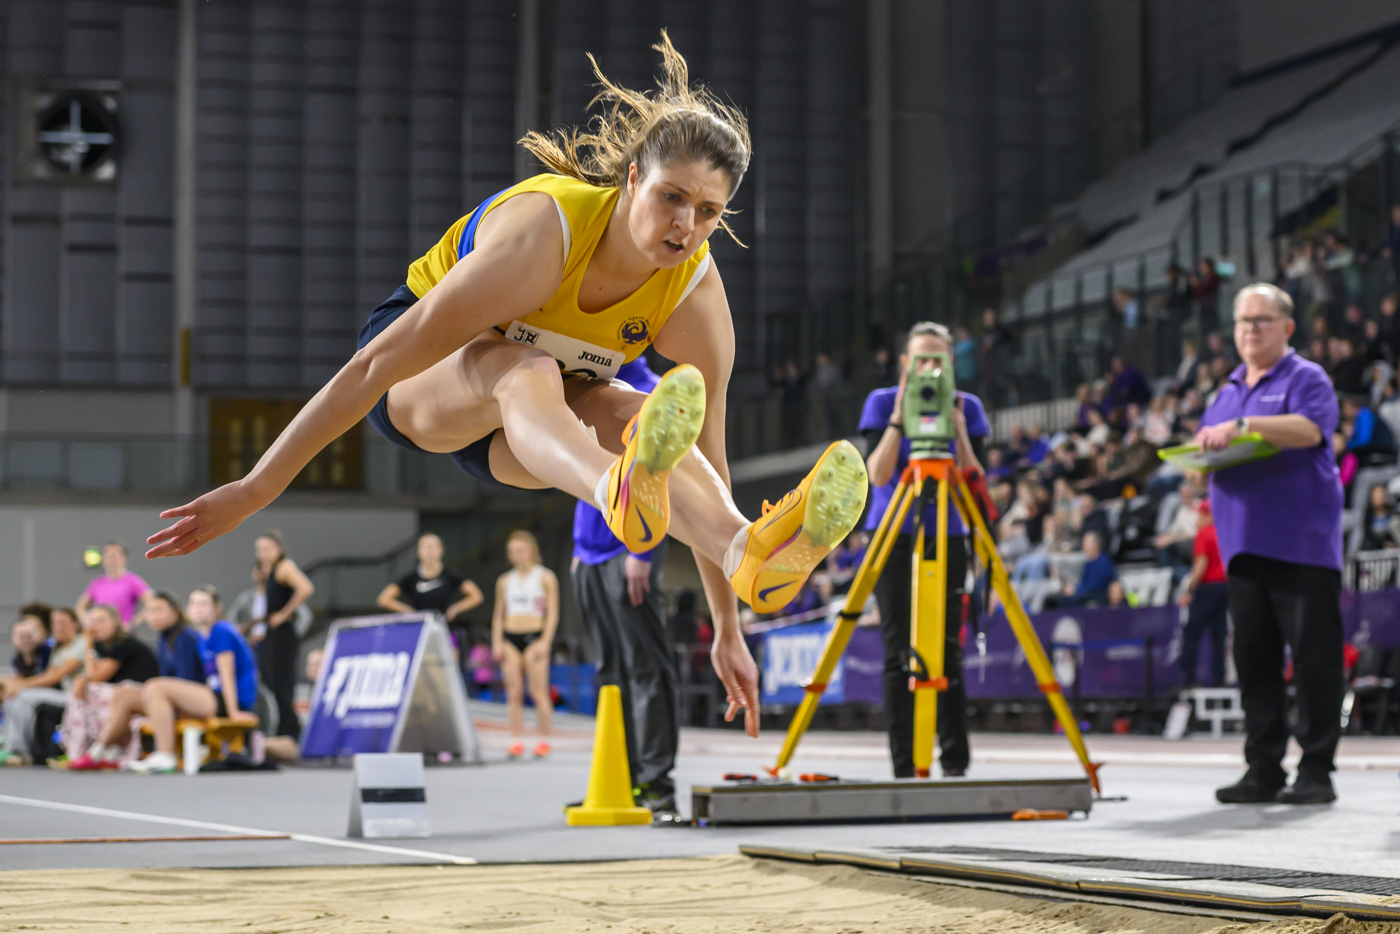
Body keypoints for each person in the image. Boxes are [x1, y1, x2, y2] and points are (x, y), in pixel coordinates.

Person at [145, 32, 876, 737]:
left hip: (541, 428)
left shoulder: (693, 291)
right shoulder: (544, 235)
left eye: (709, 212)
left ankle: (749, 549)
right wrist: (255, 489)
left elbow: (707, 458)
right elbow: (372, 368)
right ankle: (613, 489)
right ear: (631, 181)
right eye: (672, 198)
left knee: (639, 409)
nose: (686, 226)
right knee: (522, 370)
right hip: (429, 386)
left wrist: (727, 627)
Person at [1197, 283, 1344, 806]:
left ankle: (1317, 770)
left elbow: (1309, 431)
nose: (1250, 329)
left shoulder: (1306, 377)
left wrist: (1244, 425)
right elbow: (1206, 445)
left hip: (1301, 544)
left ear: (1288, 327)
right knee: (1254, 662)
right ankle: (1262, 768)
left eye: (1261, 319)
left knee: (1313, 660)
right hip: (1241, 548)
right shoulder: (1227, 389)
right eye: (1242, 321)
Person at [860, 321, 988, 779]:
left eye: (938, 359)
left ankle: (954, 762)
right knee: (898, 651)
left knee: (947, 649)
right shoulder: (881, 402)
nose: (930, 368)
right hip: (892, 529)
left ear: (951, 362)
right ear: (904, 365)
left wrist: (961, 434)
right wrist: (899, 416)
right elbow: (875, 475)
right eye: (921, 359)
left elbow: (977, 484)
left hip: (947, 528)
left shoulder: (966, 406)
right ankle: (904, 766)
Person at [571, 356, 681, 817]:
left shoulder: (654, 394)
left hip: (628, 549)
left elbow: (663, 476)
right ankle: (619, 775)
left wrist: (644, 552)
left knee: (645, 668)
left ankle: (656, 781)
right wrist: (578, 550)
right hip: (588, 550)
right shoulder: (585, 385)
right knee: (609, 673)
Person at [83, 586, 260, 774]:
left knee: (155, 687)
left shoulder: (206, 633)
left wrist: (233, 711)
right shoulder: (172, 639)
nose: (153, 615)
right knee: (125, 694)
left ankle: (165, 754)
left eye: (159, 610)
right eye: (150, 610)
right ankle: (99, 751)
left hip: (223, 700)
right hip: (199, 697)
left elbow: (225, 675)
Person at [60, 603, 160, 768]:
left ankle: (91, 751)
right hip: (121, 694)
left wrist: (87, 643)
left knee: (91, 690)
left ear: (115, 622)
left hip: (142, 695)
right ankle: (78, 750)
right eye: (92, 621)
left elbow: (96, 676)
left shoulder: (124, 643)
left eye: (101, 620)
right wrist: (82, 678)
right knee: (84, 691)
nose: (95, 626)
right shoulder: (103, 645)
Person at [492, 531, 559, 759]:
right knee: (514, 692)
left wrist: (545, 641)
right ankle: (516, 739)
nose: (516, 555)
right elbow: (498, 614)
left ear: (531, 550)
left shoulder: (545, 577)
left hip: (534, 637)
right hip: (511, 637)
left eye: (520, 550)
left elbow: (552, 613)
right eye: (512, 552)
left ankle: (544, 739)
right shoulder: (504, 581)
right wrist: (497, 642)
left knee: (538, 691)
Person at [1, 607, 87, 765]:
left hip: (74, 696)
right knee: (13, 698)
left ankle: (19, 750)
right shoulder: (60, 648)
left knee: (22, 695)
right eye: (54, 623)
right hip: (62, 694)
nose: (57, 627)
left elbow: (55, 676)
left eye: (62, 623)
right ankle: (13, 748)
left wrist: (21, 686)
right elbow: (48, 674)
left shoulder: (81, 643)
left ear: (75, 624)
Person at [253, 531, 314, 741]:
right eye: (260, 550)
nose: (263, 553)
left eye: (268, 548)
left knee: (282, 683)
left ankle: (290, 731)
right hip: (271, 633)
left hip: (283, 634)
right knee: (270, 681)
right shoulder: (269, 572)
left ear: (279, 549)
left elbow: (305, 588)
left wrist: (284, 614)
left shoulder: (285, 567)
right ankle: (279, 729)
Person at [377, 532, 485, 624]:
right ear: (418, 552)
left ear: (441, 550)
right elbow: (384, 599)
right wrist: (410, 613)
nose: (430, 551)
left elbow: (476, 596)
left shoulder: (451, 575)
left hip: (444, 627)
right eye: (426, 547)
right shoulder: (411, 578)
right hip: (421, 628)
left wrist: (455, 609)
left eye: (434, 546)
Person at [1178, 501, 1228, 687]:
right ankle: (1219, 679)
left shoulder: (1204, 534)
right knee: (1219, 634)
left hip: (1208, 587)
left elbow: (1201, 565)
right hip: (1224, 587)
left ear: (1206, 515)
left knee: (1191, 632)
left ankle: (1188, 678)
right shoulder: (1223, 532)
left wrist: (1190, 589)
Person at [75, 541, 152, 633]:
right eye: (108, 556)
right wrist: (88, 623)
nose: (112, 560)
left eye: (115, 556)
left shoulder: (133, 581)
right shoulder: (97, 582)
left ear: (124, 558)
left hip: (122, 634)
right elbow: (80, 606)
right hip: (100, 634)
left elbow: (151, 602)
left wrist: (132, 624)